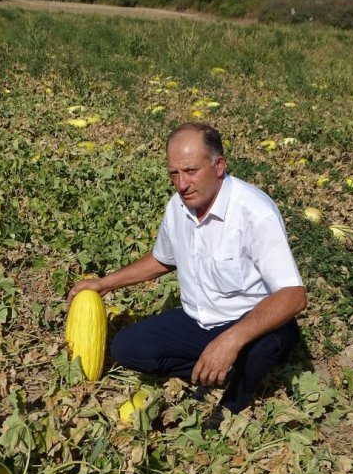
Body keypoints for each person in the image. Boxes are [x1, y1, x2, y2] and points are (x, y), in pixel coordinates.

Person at [68, 122, 306, 430]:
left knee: (261, 348)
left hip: (250, 322)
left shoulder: (254, 213)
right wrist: (102, 284)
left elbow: (293, 295)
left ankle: (235, 399)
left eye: (191, 171)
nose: (182, 184)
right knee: (127, 348)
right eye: (174, 173)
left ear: (219, 165)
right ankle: (218, 368)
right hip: (199, 320)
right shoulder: (177, 207)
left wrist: (231, 340)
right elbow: (161, 259)